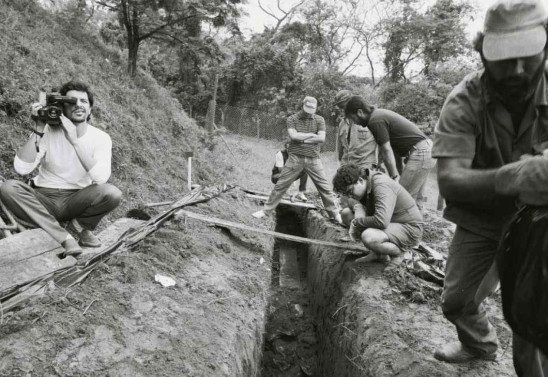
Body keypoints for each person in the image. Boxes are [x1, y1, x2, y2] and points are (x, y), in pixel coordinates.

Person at [432, 0, 548, 373]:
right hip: (485, 217)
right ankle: (479, 345)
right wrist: (512, 177)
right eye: (503, 57)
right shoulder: (464, 100)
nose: (516, 70)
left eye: (527, 57)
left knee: (533, 315)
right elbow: (450, 179)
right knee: (457, 301)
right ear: (482, 50)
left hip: (541, 220)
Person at [0, 81, 122, 257]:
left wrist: (74, 140)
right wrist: (38, 129)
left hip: (77, 200)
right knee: (9, 187)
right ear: (62, 107)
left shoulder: (101, 138)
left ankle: (79, 226)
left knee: (112, 193)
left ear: (90, 109)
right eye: (71, 102)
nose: (78, 105)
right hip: (44, 197)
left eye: (84, 101)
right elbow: (21, 169)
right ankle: (65, 237)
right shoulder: (48, 131)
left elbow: (101, 178)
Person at [253, 96, 341, 222]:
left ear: (316, 108)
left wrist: (302, 138)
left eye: (312, 109)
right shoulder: (292, 119)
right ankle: (266, 211)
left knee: (325, 188)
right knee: (281, 185)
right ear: (303, 106)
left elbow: (321, 139)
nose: (309, 112)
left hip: (314, 159)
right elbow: (294, 136)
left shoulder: (319, 120)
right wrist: (311, 135)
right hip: (295, 158)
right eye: (307, 108)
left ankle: (336, 215)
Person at [344, 96, 434, 207]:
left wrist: (394, 177)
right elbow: (392, 149)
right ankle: (416, 222)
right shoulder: (378, 116)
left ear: (360, 112)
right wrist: (398, 173)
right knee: (415, 200)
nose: (354, 123)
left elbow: (386, 150)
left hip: (421, 152)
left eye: (352, 118)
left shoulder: (374, 121)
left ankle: (399, 223)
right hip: (425, 151)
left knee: (400, 200)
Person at [332, 164, 423, 263]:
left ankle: (399, 253)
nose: (350, 196)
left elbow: (381, 221)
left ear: (360, 181)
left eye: (350, 191)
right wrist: (358, 207)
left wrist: (357, 222)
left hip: (408, 228)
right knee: (346, 214)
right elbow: (349, 201)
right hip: (391, 223)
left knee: (369, 236)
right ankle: (379, 254)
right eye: (347, 193)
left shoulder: (381, 185)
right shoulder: (366, 183)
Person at [334, 90, 378, 171]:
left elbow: (382, 143)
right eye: (339, 107)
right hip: (347, 167)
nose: (341, 109)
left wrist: (378, 163)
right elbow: (340, 148)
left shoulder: (368, 119)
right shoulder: (342, 124)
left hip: (365, 166)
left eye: (343, 106)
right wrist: (341, 164)